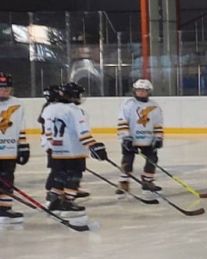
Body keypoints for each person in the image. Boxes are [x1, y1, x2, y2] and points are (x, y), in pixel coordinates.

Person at [41, 82, 105, 216]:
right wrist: (93, 145)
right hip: (73, 151)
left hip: (56, 150)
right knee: (74, 176)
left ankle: (54, 200)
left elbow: (47, 131)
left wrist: (50, 146)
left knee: (59, 176)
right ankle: (68, 201)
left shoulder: (49, 109)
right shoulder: (74, 110)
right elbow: (82, 132)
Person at [115, 78, 165, 193]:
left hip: (148, 140)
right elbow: (123, 121)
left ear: (149, 91)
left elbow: (158, 123)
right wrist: (125, 136)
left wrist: (158, 137)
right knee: (127, 160)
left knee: (152, 159)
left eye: (144, 90)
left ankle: (148, 181)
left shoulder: (154, 106)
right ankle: (124, 182)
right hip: (131, 139)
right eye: (138, 90)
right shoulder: (128, 104)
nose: (141, 92)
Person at [0, 72, 28, 224]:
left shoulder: (18, 103)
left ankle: (5, 208)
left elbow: (20, 127)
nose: (4, 91)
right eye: (1, 88)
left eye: (7, 88)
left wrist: (23, 146)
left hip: (9, 151)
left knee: (7, 179)